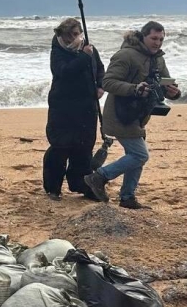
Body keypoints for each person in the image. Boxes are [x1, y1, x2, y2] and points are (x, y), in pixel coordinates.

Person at [84, 21, 181, 209]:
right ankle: (99, 177)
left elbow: (165, 84)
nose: (158, 43)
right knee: (139, 154)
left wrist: (174, 93)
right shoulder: (126, 55)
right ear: (143, 36)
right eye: (154, 38)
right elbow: (108, 82)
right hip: (120, 114)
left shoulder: (158, 58)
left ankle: (127, 197)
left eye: (161, 39)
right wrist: (134, 89)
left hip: (139, 115)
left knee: (135, 156)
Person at [43, 17, 105, 201]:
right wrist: (83, 56)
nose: (74, 39)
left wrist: (100, 86)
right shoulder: (58, 52)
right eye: (69, 35)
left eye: (77, 34)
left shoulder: (90, 49)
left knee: (84, 147)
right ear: (61, 35)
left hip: (86, 105)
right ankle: (53, 188)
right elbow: (64, 72)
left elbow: (99, 69)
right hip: (63, 106)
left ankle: (81, 185)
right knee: (61, 147)